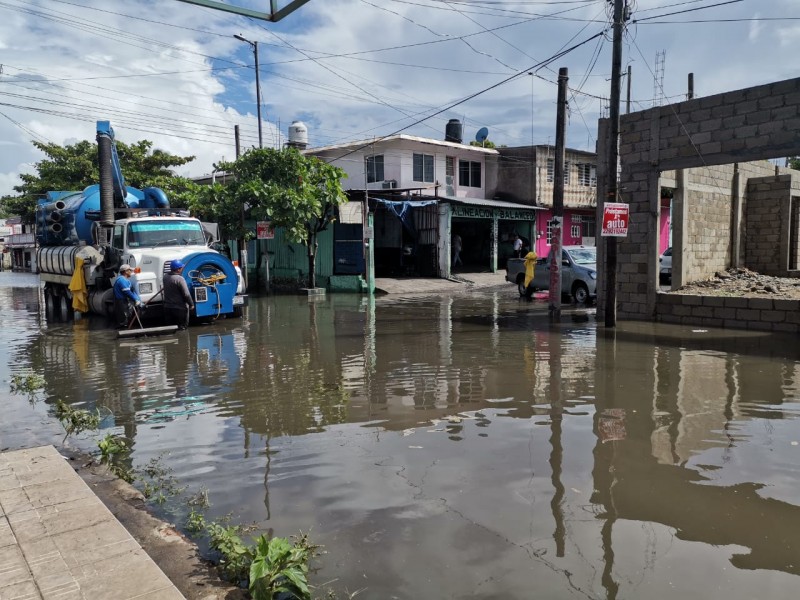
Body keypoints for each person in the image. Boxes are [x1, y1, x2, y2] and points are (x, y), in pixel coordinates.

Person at [163, 259, 195, 330]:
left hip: (167, 308)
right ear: (178, 269)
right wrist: (191, 304)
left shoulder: (165, 277)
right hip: (180, 309)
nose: (182, 269)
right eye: (181, 268)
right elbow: (186, 294)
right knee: (182, 329)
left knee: (170, 329)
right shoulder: (180, 279)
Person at [113, 264, 142, 328]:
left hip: (123, 301)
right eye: (130, 270)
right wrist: (135, 299)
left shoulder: (125, 280)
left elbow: (132, 290)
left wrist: (138, 299)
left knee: (127, 319)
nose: (131, 272)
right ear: (125, 271)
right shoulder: (122, 280)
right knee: (124, 320)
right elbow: (127, 292)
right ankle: (123, 332)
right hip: (121, 302)